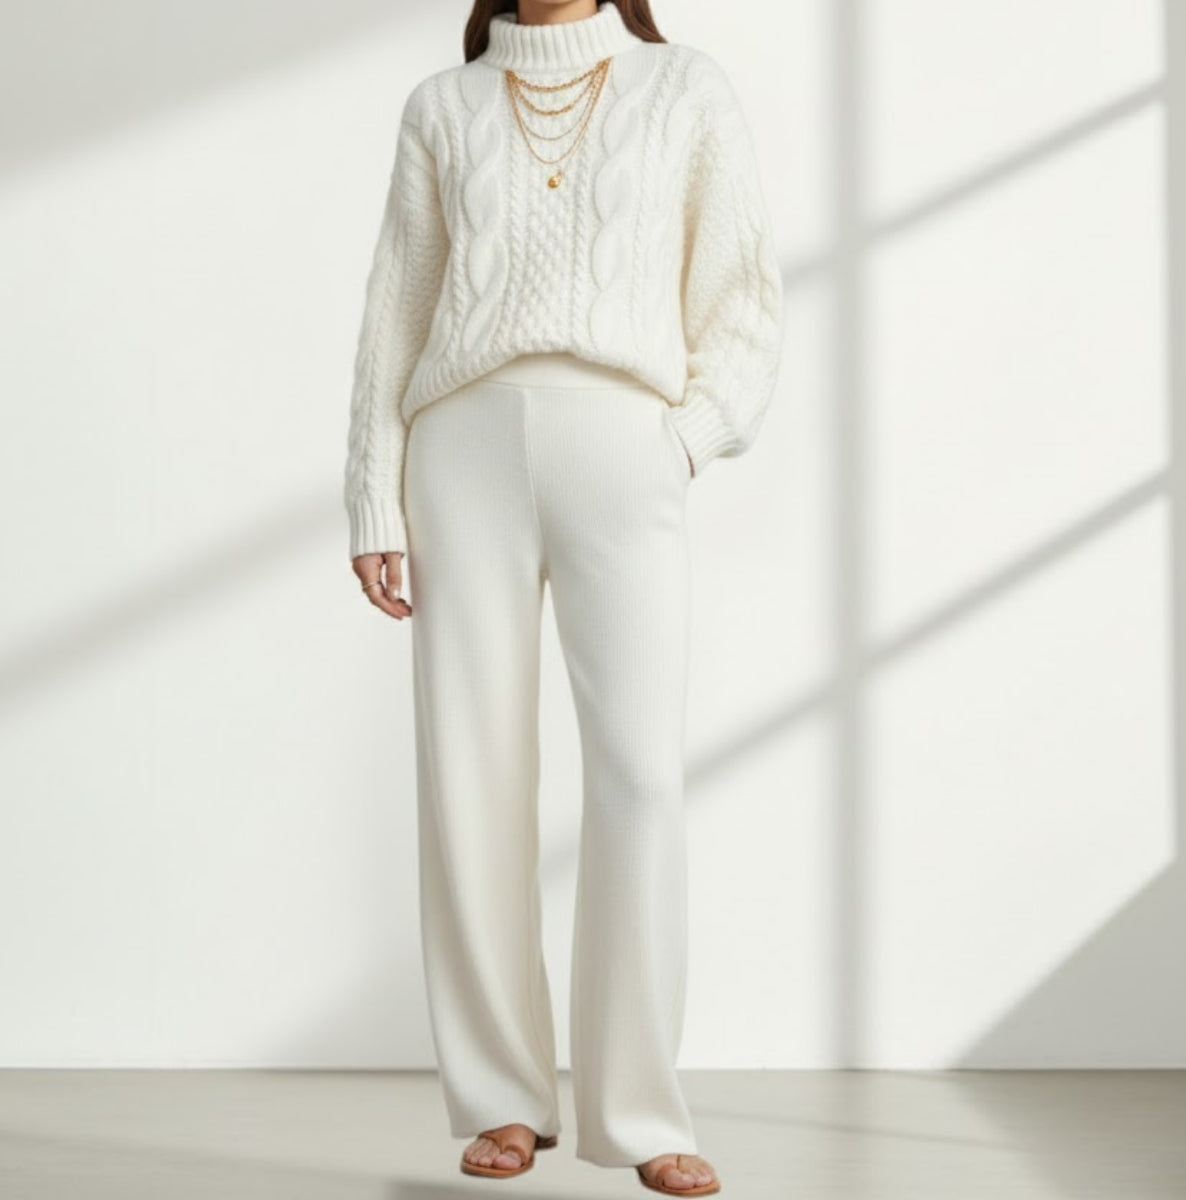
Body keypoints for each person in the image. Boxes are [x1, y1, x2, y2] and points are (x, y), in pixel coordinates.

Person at [342, 1, 783, 1193]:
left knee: (641, 776)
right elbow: (395, 314)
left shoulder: (683, 88)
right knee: (471, 777)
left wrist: (687, 436)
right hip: (461, 451)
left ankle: (640, 1110)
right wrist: (375, 498)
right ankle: (502, 1098)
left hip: (623, 443)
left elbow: (743, 294)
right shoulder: (443, 106)